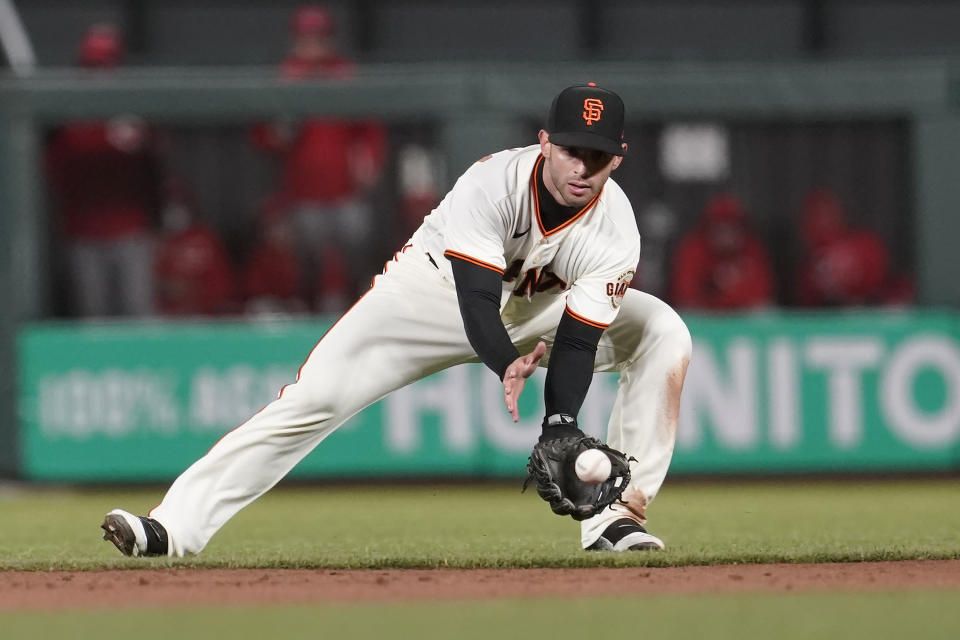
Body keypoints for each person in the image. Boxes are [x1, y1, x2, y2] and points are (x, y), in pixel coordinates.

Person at [101, 84, 692, 557]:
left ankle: (615, 521)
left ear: (617, 158)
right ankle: (171, 529)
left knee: (663, 332)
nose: (581, 167)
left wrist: (559, 423)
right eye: (570, 149)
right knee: (314, 397)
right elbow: (478, 303)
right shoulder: (492, 183)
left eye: (597, 155)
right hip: (428, 297)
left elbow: (579, 341)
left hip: (542, 313)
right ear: (543, 143)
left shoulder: (617, 230)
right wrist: (506, 364)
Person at [250, 4, 387, 308]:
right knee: (309, 263)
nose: (313, 44)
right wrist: (279, 129)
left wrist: (370, 162)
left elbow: (370, 130)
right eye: (306, 37)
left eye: (319, 37)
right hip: (303, 192)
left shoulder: (345, 74)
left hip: (346, 189)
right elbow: (264, 137)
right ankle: (311, 316)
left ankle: (361, 312)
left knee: (356, 256)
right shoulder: (285, 77)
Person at [45, 24, 161, 317]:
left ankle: (142, 364)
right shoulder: (68, 119)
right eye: (93, 66)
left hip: (131, 230)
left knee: (138, 311)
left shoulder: (135, 115)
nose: (99, 74)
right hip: (84, 233)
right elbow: (54, 173)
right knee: (93, 316)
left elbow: (156, 170)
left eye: (106, 65)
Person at [794, 188, 911, 307]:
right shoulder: (805, 268)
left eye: (824, 214)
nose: (820, 223)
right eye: (812, 217)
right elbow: (807, 305)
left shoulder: (865, 245)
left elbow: (887, 283)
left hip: (876, 313)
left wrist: (850, 271)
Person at [669, 191, 775, 310]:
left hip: (742, 322)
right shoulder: (693, 250)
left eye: (732, 227)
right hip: (704, 322)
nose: (725, 233)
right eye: (719, 227)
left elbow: (762, 298)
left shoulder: (752, 250)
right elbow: (686, 298)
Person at [153, 179, 236, 316]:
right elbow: (153, 284)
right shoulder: (159, 242)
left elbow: (222, 286)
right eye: (169, 203)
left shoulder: (205, 238)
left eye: (178, 203)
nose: (174, 209)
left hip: (204, 315)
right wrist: (167, 287)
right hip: (168, 317)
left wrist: (195, 289)